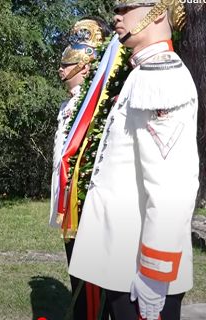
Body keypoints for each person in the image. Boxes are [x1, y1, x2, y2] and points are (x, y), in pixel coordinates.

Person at [68, 1, 200, 319]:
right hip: (123, 263)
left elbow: (172, 186)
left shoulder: (161, 77)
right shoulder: (141, 73)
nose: (117, 15)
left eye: (126, 7)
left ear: (156, 11)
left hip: (141, 271)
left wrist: (155, 273)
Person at [50, 18, 112, 320]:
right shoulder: (69, 105)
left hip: (85, 204)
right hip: (68, 202)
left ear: (85, 67)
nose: (61, 70)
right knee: (77, 272)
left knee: (92, 284)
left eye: (68, 64)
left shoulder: (93, 104)